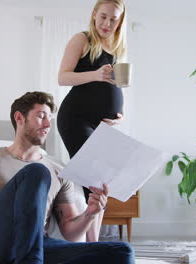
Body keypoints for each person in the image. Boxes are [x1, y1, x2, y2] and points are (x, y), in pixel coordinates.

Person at [0, 91, 134, 264]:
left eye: (50, 118)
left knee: (121, 251)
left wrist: (90, 213)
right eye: (41, 116)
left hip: (37, 245)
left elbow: (70, 230)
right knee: (37, 171)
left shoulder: (59, 169)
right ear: (19, 118)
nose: (48, 125)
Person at [57, 0, 127, 241]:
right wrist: (96, 75)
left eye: (113, 19)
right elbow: (63, 77)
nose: (107, 23)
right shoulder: (82, 39)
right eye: (104, 16)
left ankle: (92, 244)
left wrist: (118, 116)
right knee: (93, 180)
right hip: (76, 118)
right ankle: (92, 245)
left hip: (102, 124)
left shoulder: (115, 48)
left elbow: (112, 89)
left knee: (102, 181)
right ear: (95, 14)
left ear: (120, 21)